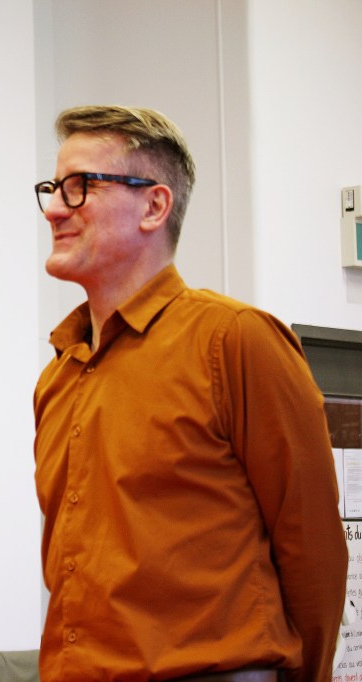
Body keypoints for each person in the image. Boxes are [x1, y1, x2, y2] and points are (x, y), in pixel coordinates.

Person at [33, 105, 348, 681]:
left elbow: (313, 550)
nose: (55, 208)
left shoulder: (234, 340)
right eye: (53, 188)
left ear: (154, 205)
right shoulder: (59, 375)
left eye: (81, 187)